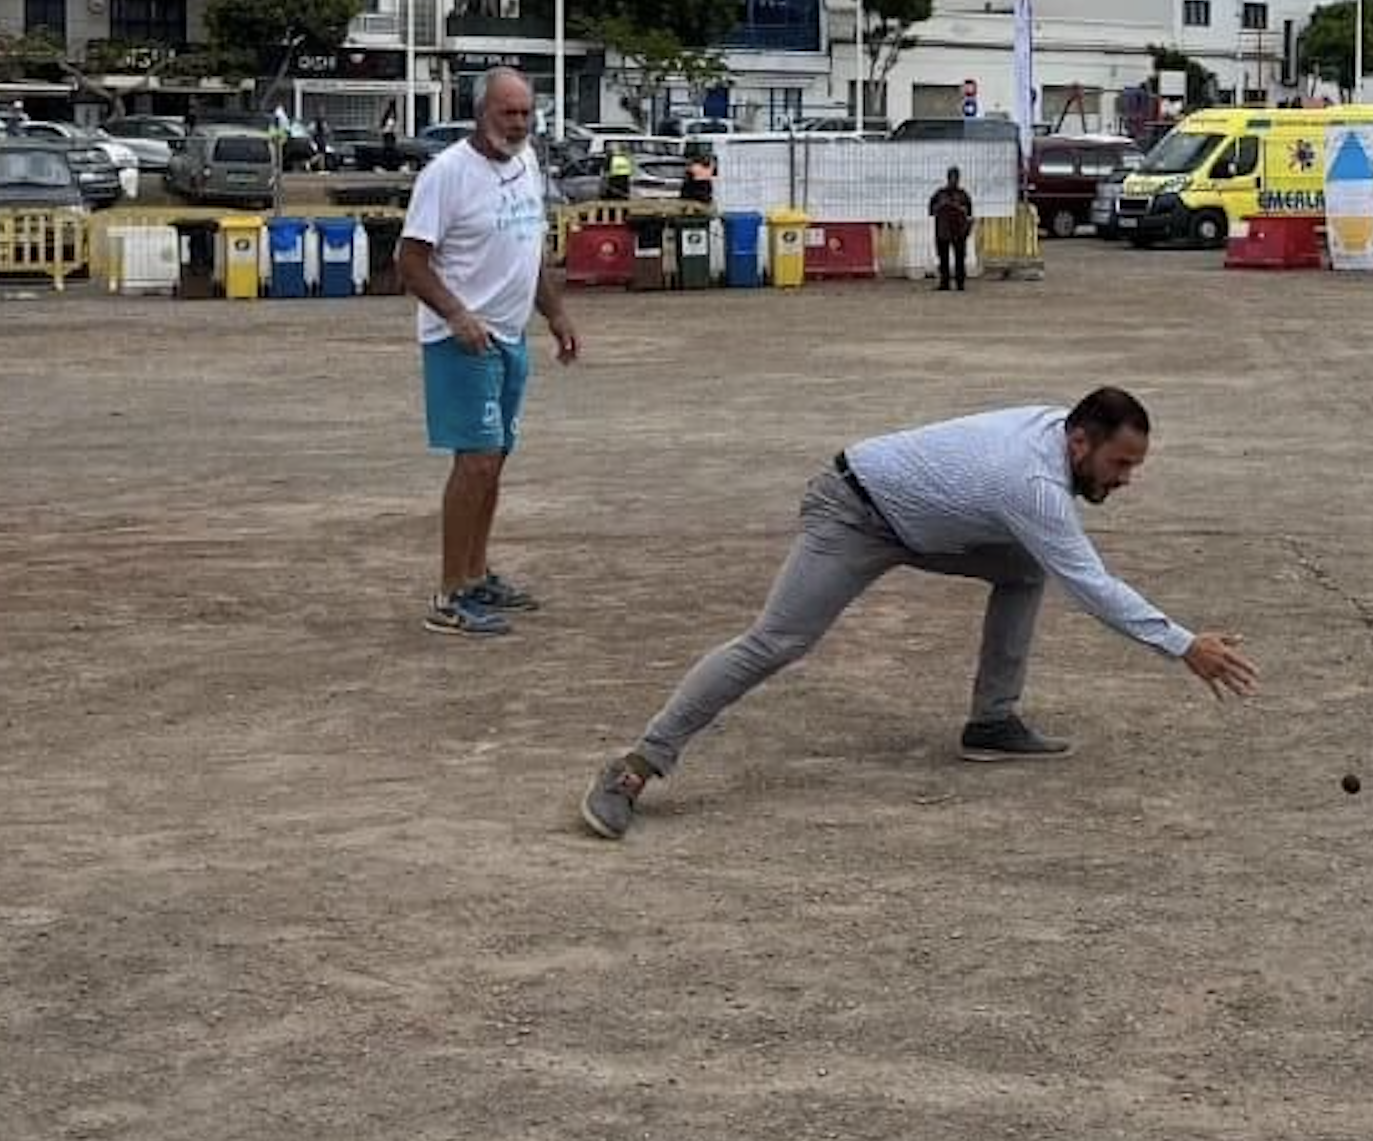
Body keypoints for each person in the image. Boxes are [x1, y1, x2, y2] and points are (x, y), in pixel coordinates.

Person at [579, 389, 1261, 839]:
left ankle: (992, 722)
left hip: (923, 522)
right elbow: (1092, 585)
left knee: (1024, 568)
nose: (1125, 480)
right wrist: (1183, 645)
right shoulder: (1031, 481)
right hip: (853, 512)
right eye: (1120, 463)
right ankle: (635, 766)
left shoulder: (1060, 434)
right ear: (1080, 443)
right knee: (777, 640)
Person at [397, 67, 581, 638]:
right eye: (509, 113)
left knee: (495, 458)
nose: (520, 123)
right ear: (481, 112)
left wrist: (554, 312)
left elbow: (530, 247)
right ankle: (449, 594)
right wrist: (455, 314)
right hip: (462, 340)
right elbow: (409, 260)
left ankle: (477, 575)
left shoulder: (526, 165)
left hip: (510, 335)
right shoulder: (447, 174)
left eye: (526, 113)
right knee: (474, 460)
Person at [928, 164, 974, 291]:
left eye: (956, 177)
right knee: (943, 258)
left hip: (958, 231)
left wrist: (967, 227)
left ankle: (960, 283)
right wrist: (941, 207)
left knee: (960, 258)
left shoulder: (963, 195)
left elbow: (969, 214)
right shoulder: (940, 193)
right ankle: (944, 282)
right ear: (947, 178)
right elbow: (931, 209)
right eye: (951, 177)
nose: (954, 180)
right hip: (943, 231)